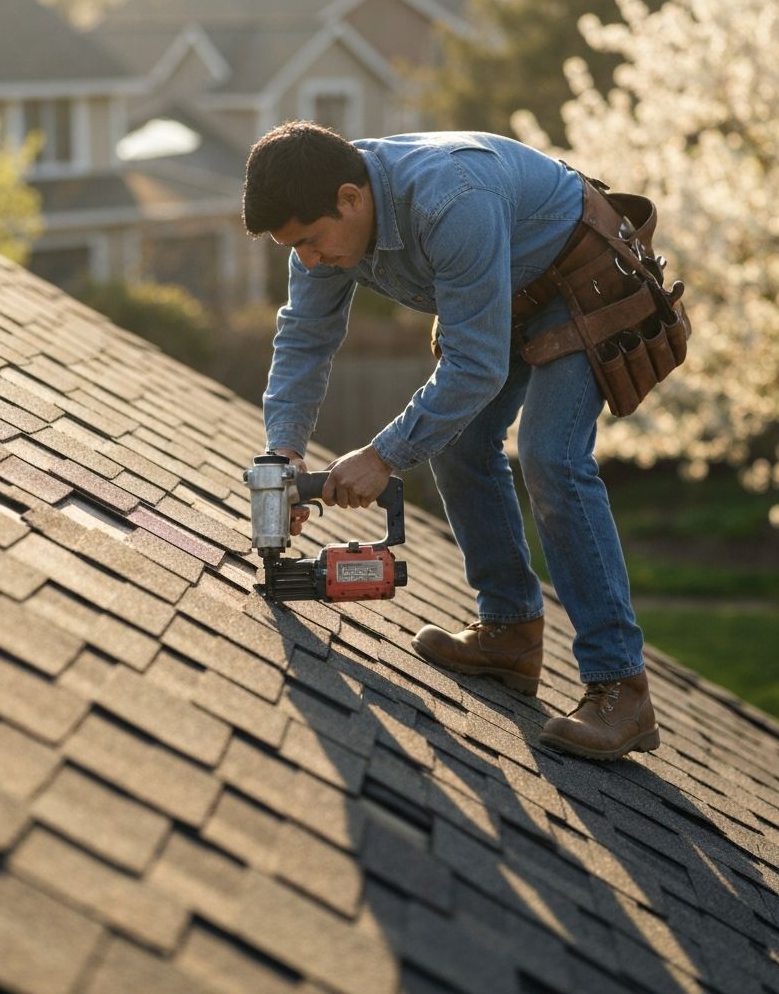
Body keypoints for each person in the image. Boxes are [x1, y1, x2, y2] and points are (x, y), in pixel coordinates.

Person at [242, 120, 660, 761]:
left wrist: (381, 456)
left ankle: (621, 688)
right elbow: (305, 338)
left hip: (581, 282)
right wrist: (285, 454)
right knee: (459, 443)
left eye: (309, 240)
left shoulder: (452, 199)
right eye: (292, 247)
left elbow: (476, 366)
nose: (307, 259)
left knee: (551, 456)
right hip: (503, 291)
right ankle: (510, 631)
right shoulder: (326, 218)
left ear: (351, 199)